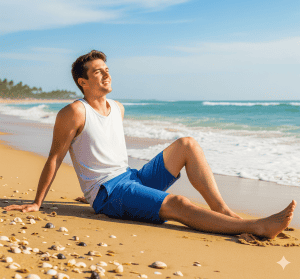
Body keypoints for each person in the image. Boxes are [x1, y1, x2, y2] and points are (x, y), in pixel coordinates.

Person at [5, 50, 296, 240]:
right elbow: (55, 157)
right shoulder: (74, 112)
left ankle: (224, 211)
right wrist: (37, 203)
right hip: (110, 191)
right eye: (98, 72)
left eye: (106, 69)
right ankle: (254, 226)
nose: (106, 74)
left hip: (130, 177)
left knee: (187, 144)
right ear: (83, 81)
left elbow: (102, 151)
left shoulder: (117, 107)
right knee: (178, 204)